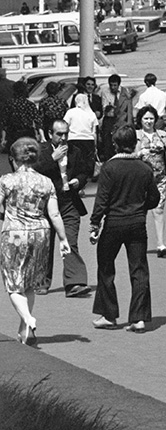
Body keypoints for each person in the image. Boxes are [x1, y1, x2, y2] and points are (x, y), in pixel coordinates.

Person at [90, 126, 162, 333]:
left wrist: (95, 223)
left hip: (114, 222)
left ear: (115, 145)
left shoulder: (110, 168)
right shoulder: (144, 168)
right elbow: (154, 198)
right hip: (137, 223)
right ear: (135, 143)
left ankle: (109, 314)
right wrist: (140, 207)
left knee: (105, 267)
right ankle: (138, 318)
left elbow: (102, 200)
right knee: (139, 269)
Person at [0, 138, 70, 344]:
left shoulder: (6, 181)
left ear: (14, 159)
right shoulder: (46, 182)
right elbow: (55, 214)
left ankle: (28, 318)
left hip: (15, 234)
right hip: (41, 233)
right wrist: (64, 239)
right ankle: (24, 330)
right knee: (30, 283)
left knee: (13, 283)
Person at [35, 120, 91, 298]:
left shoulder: (75, 151)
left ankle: (74, 283)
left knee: (70, 241)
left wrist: (79, 181)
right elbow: (33, 172)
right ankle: (41, 281)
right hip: (46, 204)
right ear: (50, 134)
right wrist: (53, 158)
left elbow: (84, 172)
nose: (63, 137)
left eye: (66, 133)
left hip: (69, 203)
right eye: (59, 134)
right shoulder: (41, 151)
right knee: (46, 243)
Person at [134, 106, 166, 259]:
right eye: (146, 118)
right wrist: (140, 153)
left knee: (159, 209)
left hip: (160, 178)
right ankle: (138, 244)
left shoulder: (162, 135)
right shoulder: (135, 135)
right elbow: (129, 154)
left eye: (151, 118)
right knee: (139, 211)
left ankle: (161, 244)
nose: (149, 121)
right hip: (140, 179)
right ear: (140, 120)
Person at [98, 74, 133, 163]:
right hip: (109, 119)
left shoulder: (124, 92)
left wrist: (129, 124)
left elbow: (129, 110)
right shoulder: (105, 92)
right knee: (108, 143)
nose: (113, 87)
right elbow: (104, 107)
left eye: (115, 85)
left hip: (120, 120)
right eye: (111, 85)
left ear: (118, 85)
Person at [64, 93, 99, 181]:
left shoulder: (70, 112)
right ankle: (83, 181)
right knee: (86, 164)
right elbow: (94, 132)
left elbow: (65, 126)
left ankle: (76, 181)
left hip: (73, 139)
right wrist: (95, 146)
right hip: (88, 141)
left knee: (74, 163)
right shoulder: (91, 114)